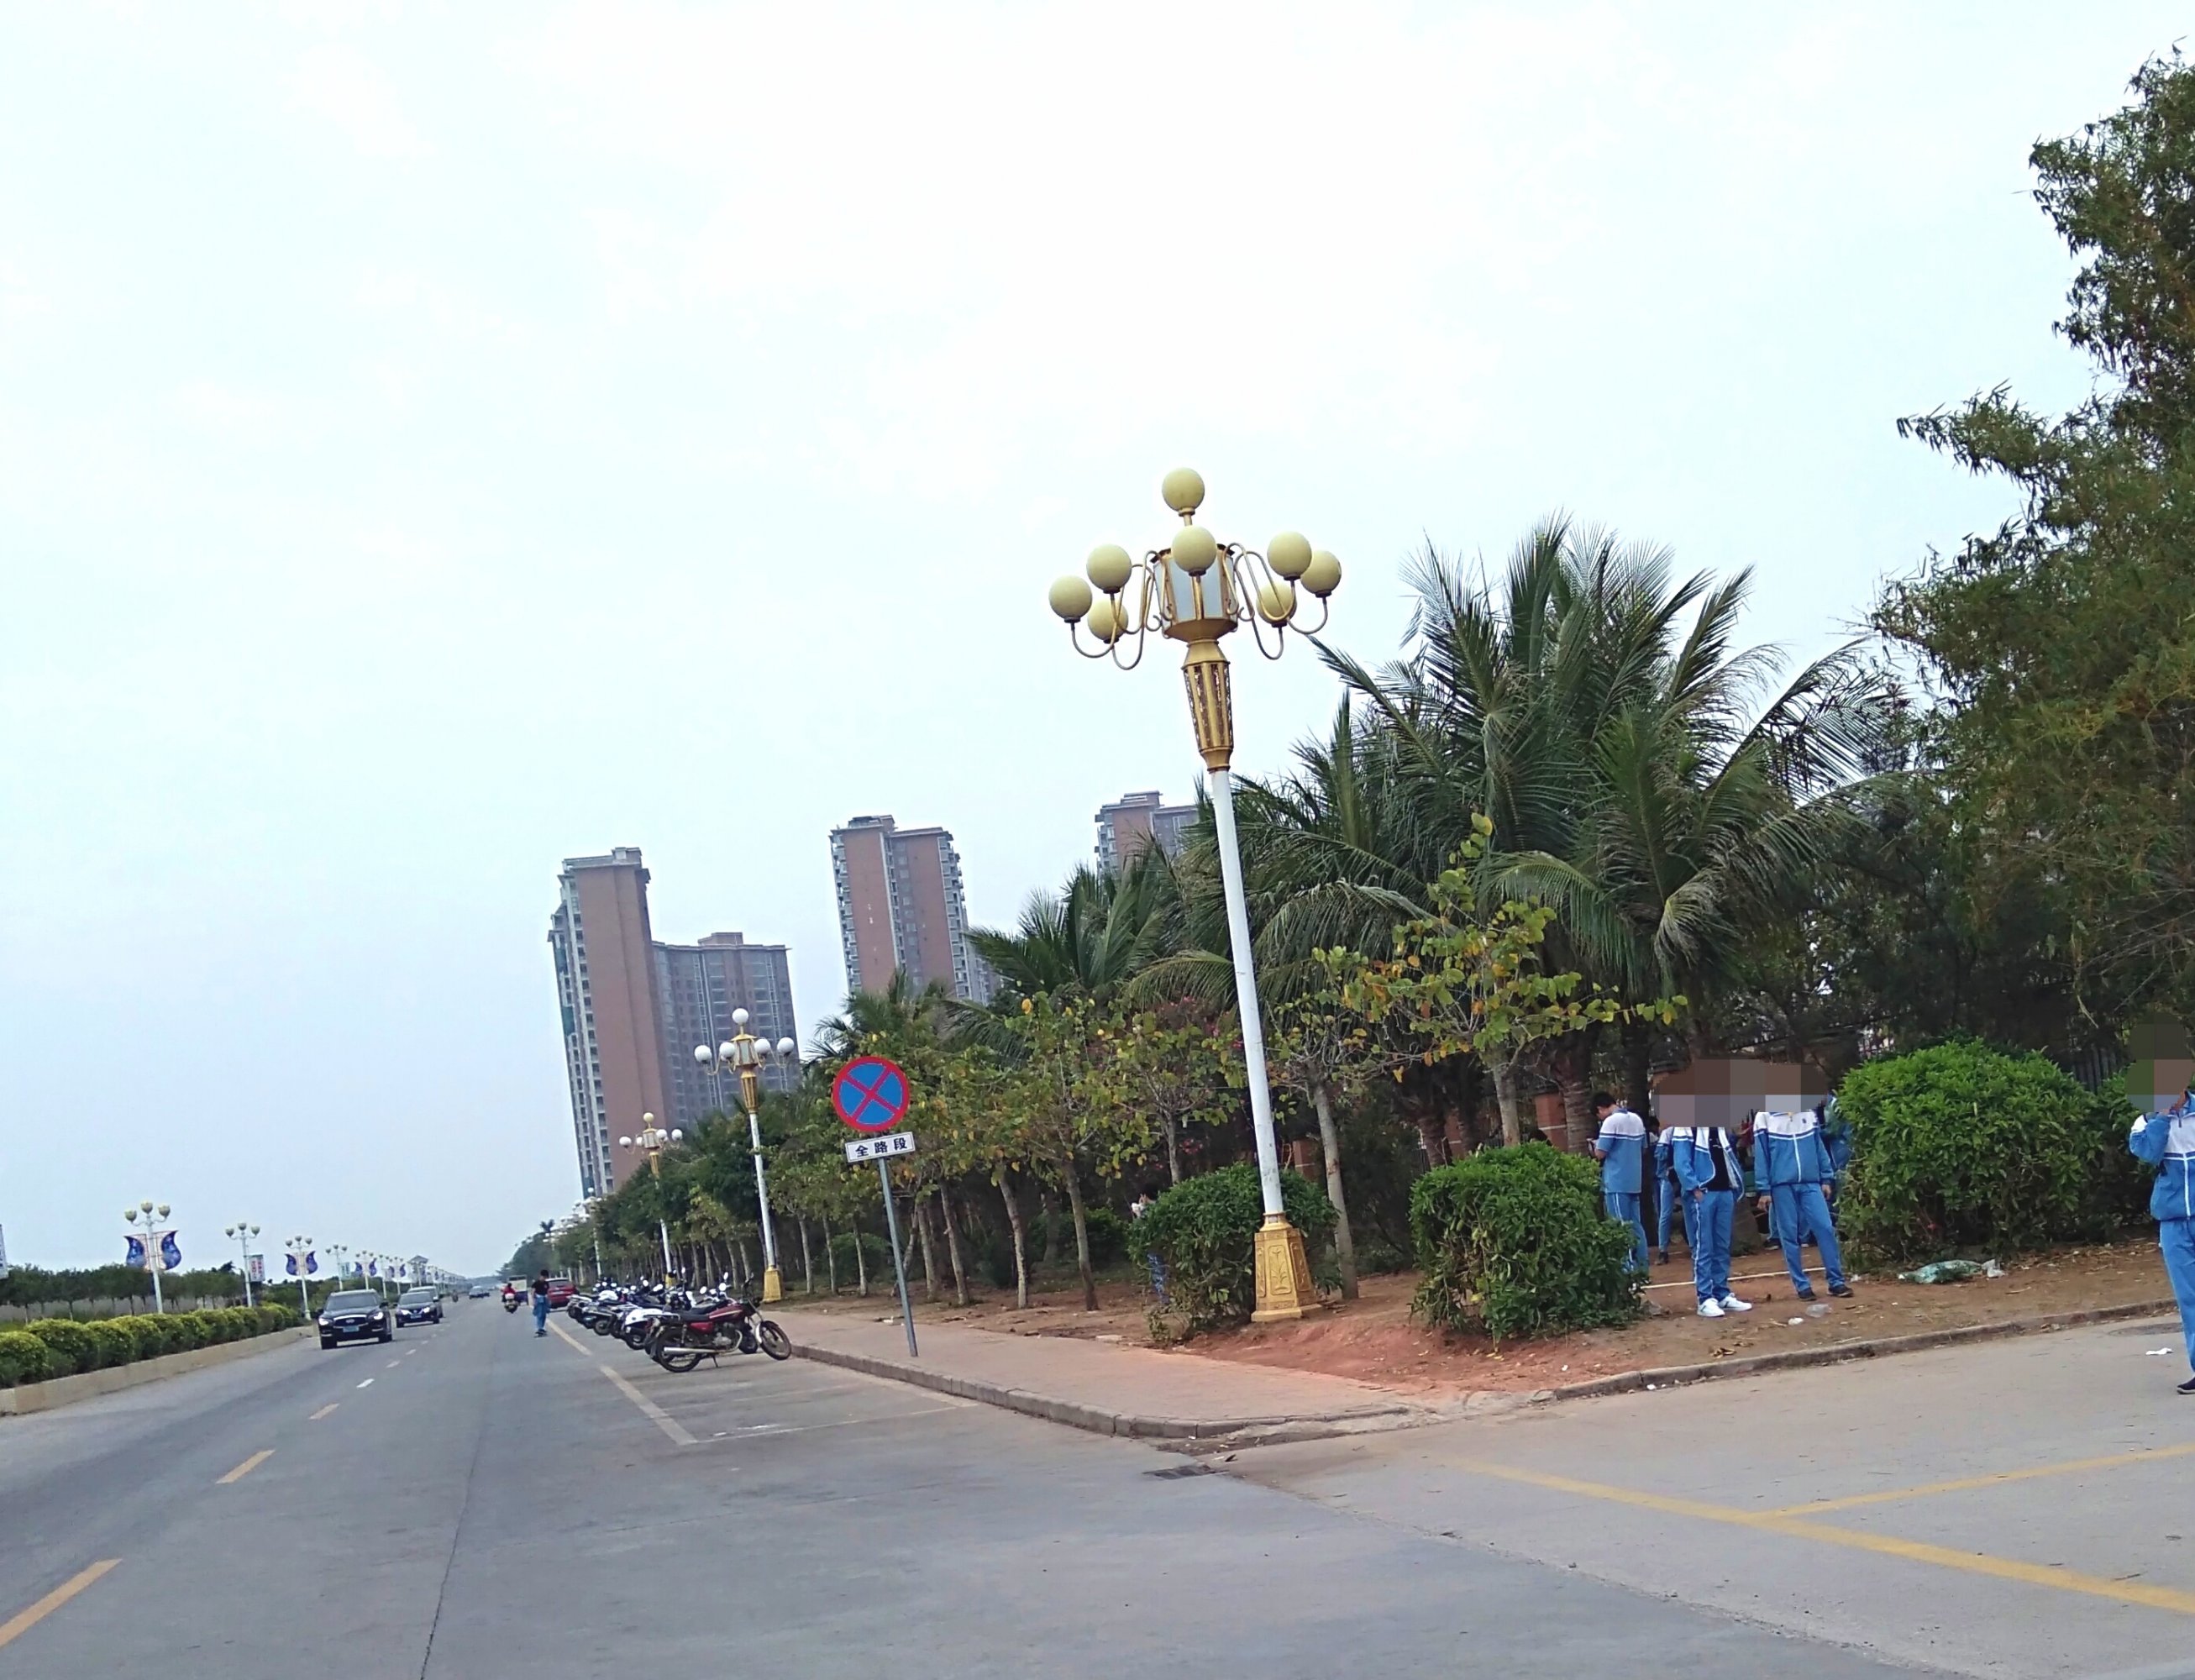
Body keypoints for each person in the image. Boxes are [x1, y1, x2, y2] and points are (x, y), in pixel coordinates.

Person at [2126, 1026, 2195, 1394]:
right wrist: (2162, 1117)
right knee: (2190, 1298)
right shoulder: (2146, 1122)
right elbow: (2149, 1155)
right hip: (2173, 1223)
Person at [1751, 1100, 1853, 1302]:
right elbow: (1761, 1155)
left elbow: (1818, 1147)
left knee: (1825, 1228)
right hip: (1781, 1185)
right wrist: (1764, 1189)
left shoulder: (1807, 1113)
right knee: (1789, 1235)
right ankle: (1802, 1285)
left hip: (1810, 1182)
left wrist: (1826, 1177)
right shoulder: (1764, 1117)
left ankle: (1836, 1281)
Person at [1673, 1116, 1751, 1318]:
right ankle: (1705, 1297)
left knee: (1722, 1245)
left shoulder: (1718, 1127)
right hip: (1704, 1193)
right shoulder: (1686, 1126)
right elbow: (1681, 1162)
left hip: (1724, 1191)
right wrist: (1694, 1188)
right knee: (1704, 1246)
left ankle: (1721, 1292)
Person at [1590, 1092, 1650, 1274]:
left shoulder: (1611, 1122)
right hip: (1634, 1180)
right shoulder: (1637, 1120)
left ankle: (1627, 1268)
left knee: (1619, 1225)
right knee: (1636, 1225)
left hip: (1616, 1181)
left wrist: (1593, 1146)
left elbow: (1600, 1153)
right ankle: (1642, 1267)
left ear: (1600, 1109)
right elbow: (1644, 1148)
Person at [1654, 1116, 1692, 1264]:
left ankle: (1693, 1246)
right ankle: (1663, 1250)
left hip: (1680, 1175)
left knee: (1687, 1212)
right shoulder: (1669, 1132)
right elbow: (1660, 1155)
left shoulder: (1681, 1131)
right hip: (1670, 1176)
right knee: (1666, 1214)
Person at [531, 1267, 552, 1337]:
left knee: (544, 1314)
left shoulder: (546, 1283)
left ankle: (542, 1327)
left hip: (545, 1299)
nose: (545, 1279)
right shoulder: (536, 1283)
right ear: (542, 1276)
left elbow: (547, 1292)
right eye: (544, 1277)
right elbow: (533, 1292)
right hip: (539, 1300)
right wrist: (534, 1300)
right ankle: (539, 1328)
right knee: (539, 1314)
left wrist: (549, 1300)